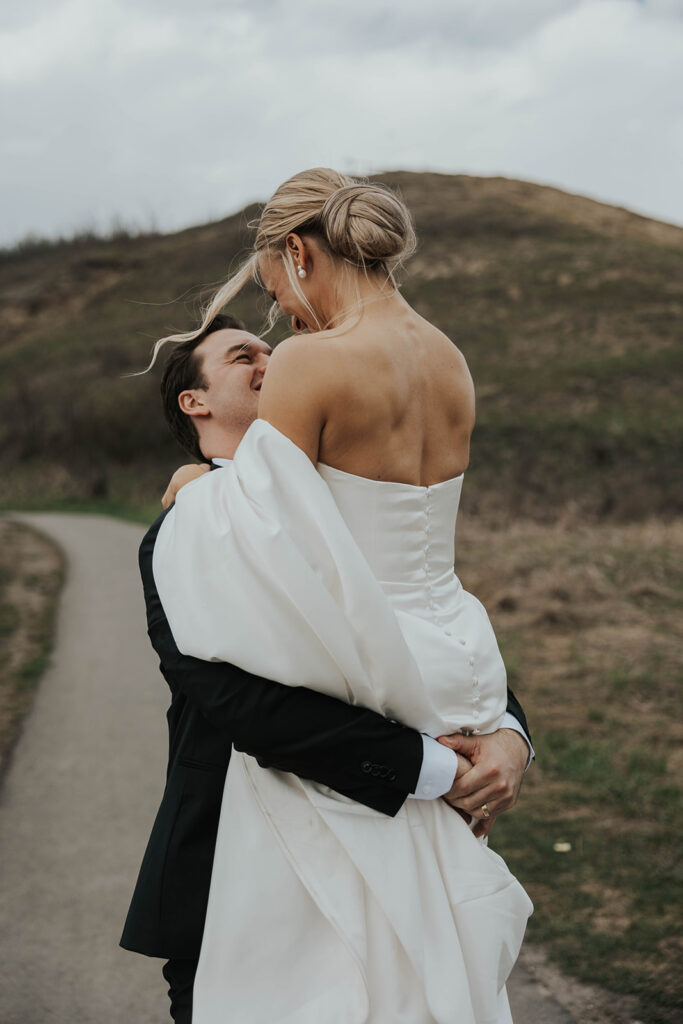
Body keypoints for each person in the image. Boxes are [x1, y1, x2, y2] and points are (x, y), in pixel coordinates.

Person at [146, 168, 534, 1022]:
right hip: (448, 671)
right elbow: (418, 564)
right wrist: (503, 727)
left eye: (276, 292)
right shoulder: (450, 360)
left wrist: (197, 487)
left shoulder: (314, 363)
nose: (282, 317)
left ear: (297, 251)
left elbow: (272, 545)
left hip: (357, 683)